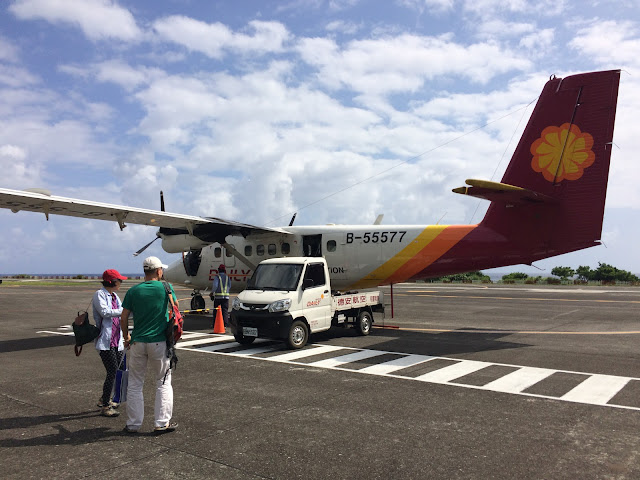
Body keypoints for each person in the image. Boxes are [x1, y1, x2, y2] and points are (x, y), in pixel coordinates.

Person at [120, 256, 178, 434]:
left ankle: (133, 424)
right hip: (159, 342)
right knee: (163, 382)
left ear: (145, 272)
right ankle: (161, 423)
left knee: (135, 384)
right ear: (159, 271)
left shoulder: (134, 290)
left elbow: (123, 317)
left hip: (138, 342)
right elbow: (175, 309)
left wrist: (126, 336)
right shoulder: (166, 288)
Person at [93, 269, 127, 417]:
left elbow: (120, 312)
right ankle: (106, 405)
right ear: (112, 282)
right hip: (105, 340)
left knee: (116, 370)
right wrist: (124, 311)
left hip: (116, 339)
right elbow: (105, 312)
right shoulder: (99, 294)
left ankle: (104, 399)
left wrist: (124, 311)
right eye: (119, 280)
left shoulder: (114, 296)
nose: (121, 282)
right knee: (112, 371)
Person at [210, 264, 231, 328]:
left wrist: (212, 292)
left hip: (218, 297)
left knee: (216, 311)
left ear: (218, 270)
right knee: (225, 311)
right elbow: (229, 286)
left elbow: (215, 286)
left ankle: (215, 324)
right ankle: (225, 324)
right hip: (226, 297)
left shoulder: (217, 277)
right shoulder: (227, 277)